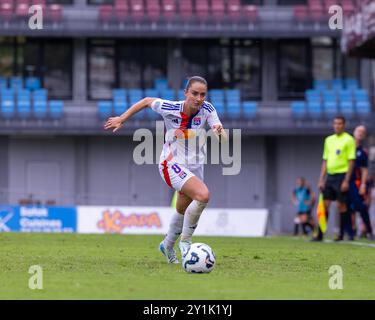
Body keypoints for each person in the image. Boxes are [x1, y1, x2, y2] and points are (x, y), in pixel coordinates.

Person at [104, 76, 226, 263]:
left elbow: (221, 137)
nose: (199, 98)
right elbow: (146, 101)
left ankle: (167, 245)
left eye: (203, 94)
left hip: (195, 165)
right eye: (194, 93)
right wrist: (122, 118)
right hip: (171, 163)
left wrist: (220, 132)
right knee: (203, 195)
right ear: (186, 93)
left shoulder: (208, 109)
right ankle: (185, 243)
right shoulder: (170, 107)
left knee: (183, 208)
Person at [312, 116, 356, 241]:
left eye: (340, 123)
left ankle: (342, 234)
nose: (337, 126)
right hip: (330, 176)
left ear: (344, 125)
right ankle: (320, 234)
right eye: (335, 123)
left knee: (341, 206)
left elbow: (351, 161)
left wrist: (347, 180)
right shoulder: (328, 140)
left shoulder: (349, 139)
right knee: (325, 204)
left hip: (342, 175)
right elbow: (325, 160)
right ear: (333, 125)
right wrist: (321, 179)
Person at [348, 125, 373, 239]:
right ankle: (349, 232)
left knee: (361, 207)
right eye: (358, 130)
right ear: (354, 131)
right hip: (343, 180)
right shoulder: (346, 146)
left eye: (363, 132)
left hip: (356, 182)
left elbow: (364, 169)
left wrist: (363, 184)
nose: (360, 133)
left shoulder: (363, 152)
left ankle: (369, 230)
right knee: (345, 207)